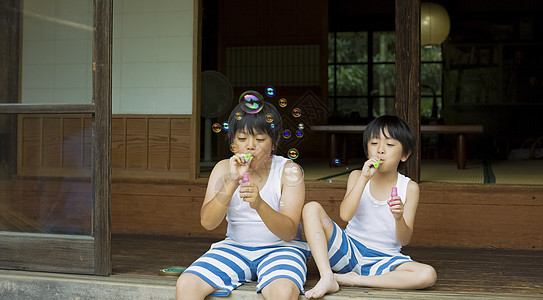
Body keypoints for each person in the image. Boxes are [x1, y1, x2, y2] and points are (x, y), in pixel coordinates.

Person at [176, 99, 310, 300]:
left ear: (274, 142)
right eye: (242, 138)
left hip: (281, 249)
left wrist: (259, 204)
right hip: (235, 247)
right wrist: (232, 181)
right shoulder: (223, 168)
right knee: (186, 284)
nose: (250, 146)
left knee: (282, 291)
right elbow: (208, 222)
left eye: (260, 139)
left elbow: (289, 232)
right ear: (232, 141)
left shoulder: (288, 171)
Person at [302, 115, 437, 299]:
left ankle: (352, 280)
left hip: (383, 259)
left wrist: (399, 217)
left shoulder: (409, 188)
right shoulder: (357, 176)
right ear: (367, 150)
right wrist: (364, 179)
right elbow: (345, 215)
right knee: (311, 208)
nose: (380, 150)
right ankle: (327, 276)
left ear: (405, 154)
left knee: (427, 275)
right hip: (347, 250)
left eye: (389, 145)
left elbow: (404, 240)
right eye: (374, 143)